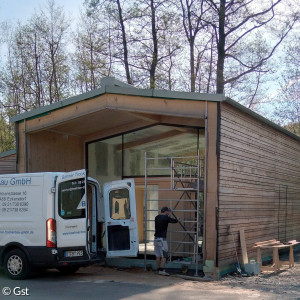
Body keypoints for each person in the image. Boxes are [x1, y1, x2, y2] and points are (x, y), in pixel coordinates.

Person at [154, 206, 178, 276]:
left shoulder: (157, 217)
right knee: (164, 255)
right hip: (162, 239)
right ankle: (161, 270)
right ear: (166, 211)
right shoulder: (166, 218)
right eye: (168, 211)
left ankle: (158, 269)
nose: (168, 212)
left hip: (156, 239)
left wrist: (168, 215)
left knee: (158, 255)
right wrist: (177, 219)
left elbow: (166, 219)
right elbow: (174, 221)